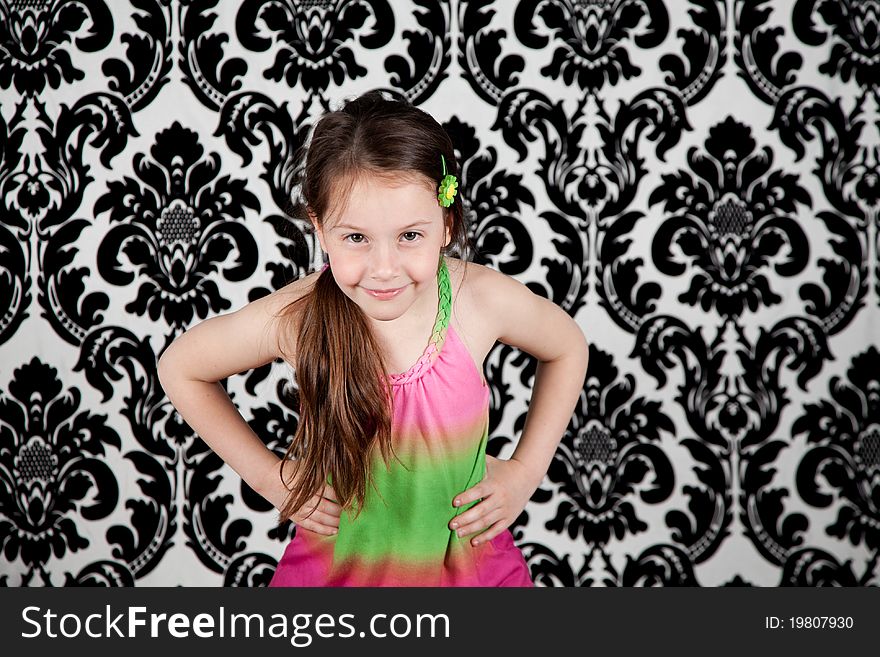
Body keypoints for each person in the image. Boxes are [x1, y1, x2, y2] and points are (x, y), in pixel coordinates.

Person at [157, 91, 589, 587]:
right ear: (320, 229)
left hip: (471, 573)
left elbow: (567, 346)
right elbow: (181, 367)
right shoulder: (299, 315)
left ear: (446, 223)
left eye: (410, 236)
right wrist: (270, 478)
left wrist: (525, 472)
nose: (384, 269)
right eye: (356, 238)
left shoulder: (480, 300)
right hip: (339, 574)